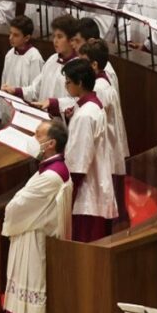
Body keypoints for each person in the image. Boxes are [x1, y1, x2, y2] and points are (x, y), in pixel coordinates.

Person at [3, 119, 74, 313]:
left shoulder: (53, 175)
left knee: (31, 305)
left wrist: (13, 208)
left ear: (51, 143)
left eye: (37, 135)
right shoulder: (50, 169)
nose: (33, 139)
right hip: (30, 236)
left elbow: (15, 208)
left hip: (35, 243)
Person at [62, 59, 116, 242]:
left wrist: (68, 193)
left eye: (68, 82)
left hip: (87, 196)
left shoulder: (86, 114)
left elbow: (79, 161)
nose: (65, 86)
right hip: (95, 187)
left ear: (80, 83)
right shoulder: (90, 106)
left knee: (86, 252)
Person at [79, 40, 129, 227]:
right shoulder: (102, 81)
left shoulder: (99, 87)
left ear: (94, 65)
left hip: (105, 150)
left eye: (84, 62)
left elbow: (90, 117)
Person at [5, 14, 80, 115]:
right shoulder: (52, 59)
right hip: (43, 117)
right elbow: (35, 89)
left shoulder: (78, 66)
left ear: (71, 40)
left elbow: (77, 100)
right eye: (54, 36)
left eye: (60, 37)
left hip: (61, 123)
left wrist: (53, 103)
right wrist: (15, 90)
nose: (55, 41)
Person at [0, 16, 44, 123]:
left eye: (16, 35)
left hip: (25, 113)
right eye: (10, 33)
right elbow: (4, 81)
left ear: (27, 38)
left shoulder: (34, 57)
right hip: (9, 108)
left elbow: (35, 90)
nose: (10, 37)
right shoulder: (10, 54)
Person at [72, 18, 119, 91]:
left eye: (77, 41)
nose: (73, 45)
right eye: (73, 40)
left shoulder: (106, 73)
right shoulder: (80, 62)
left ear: (91, 41)